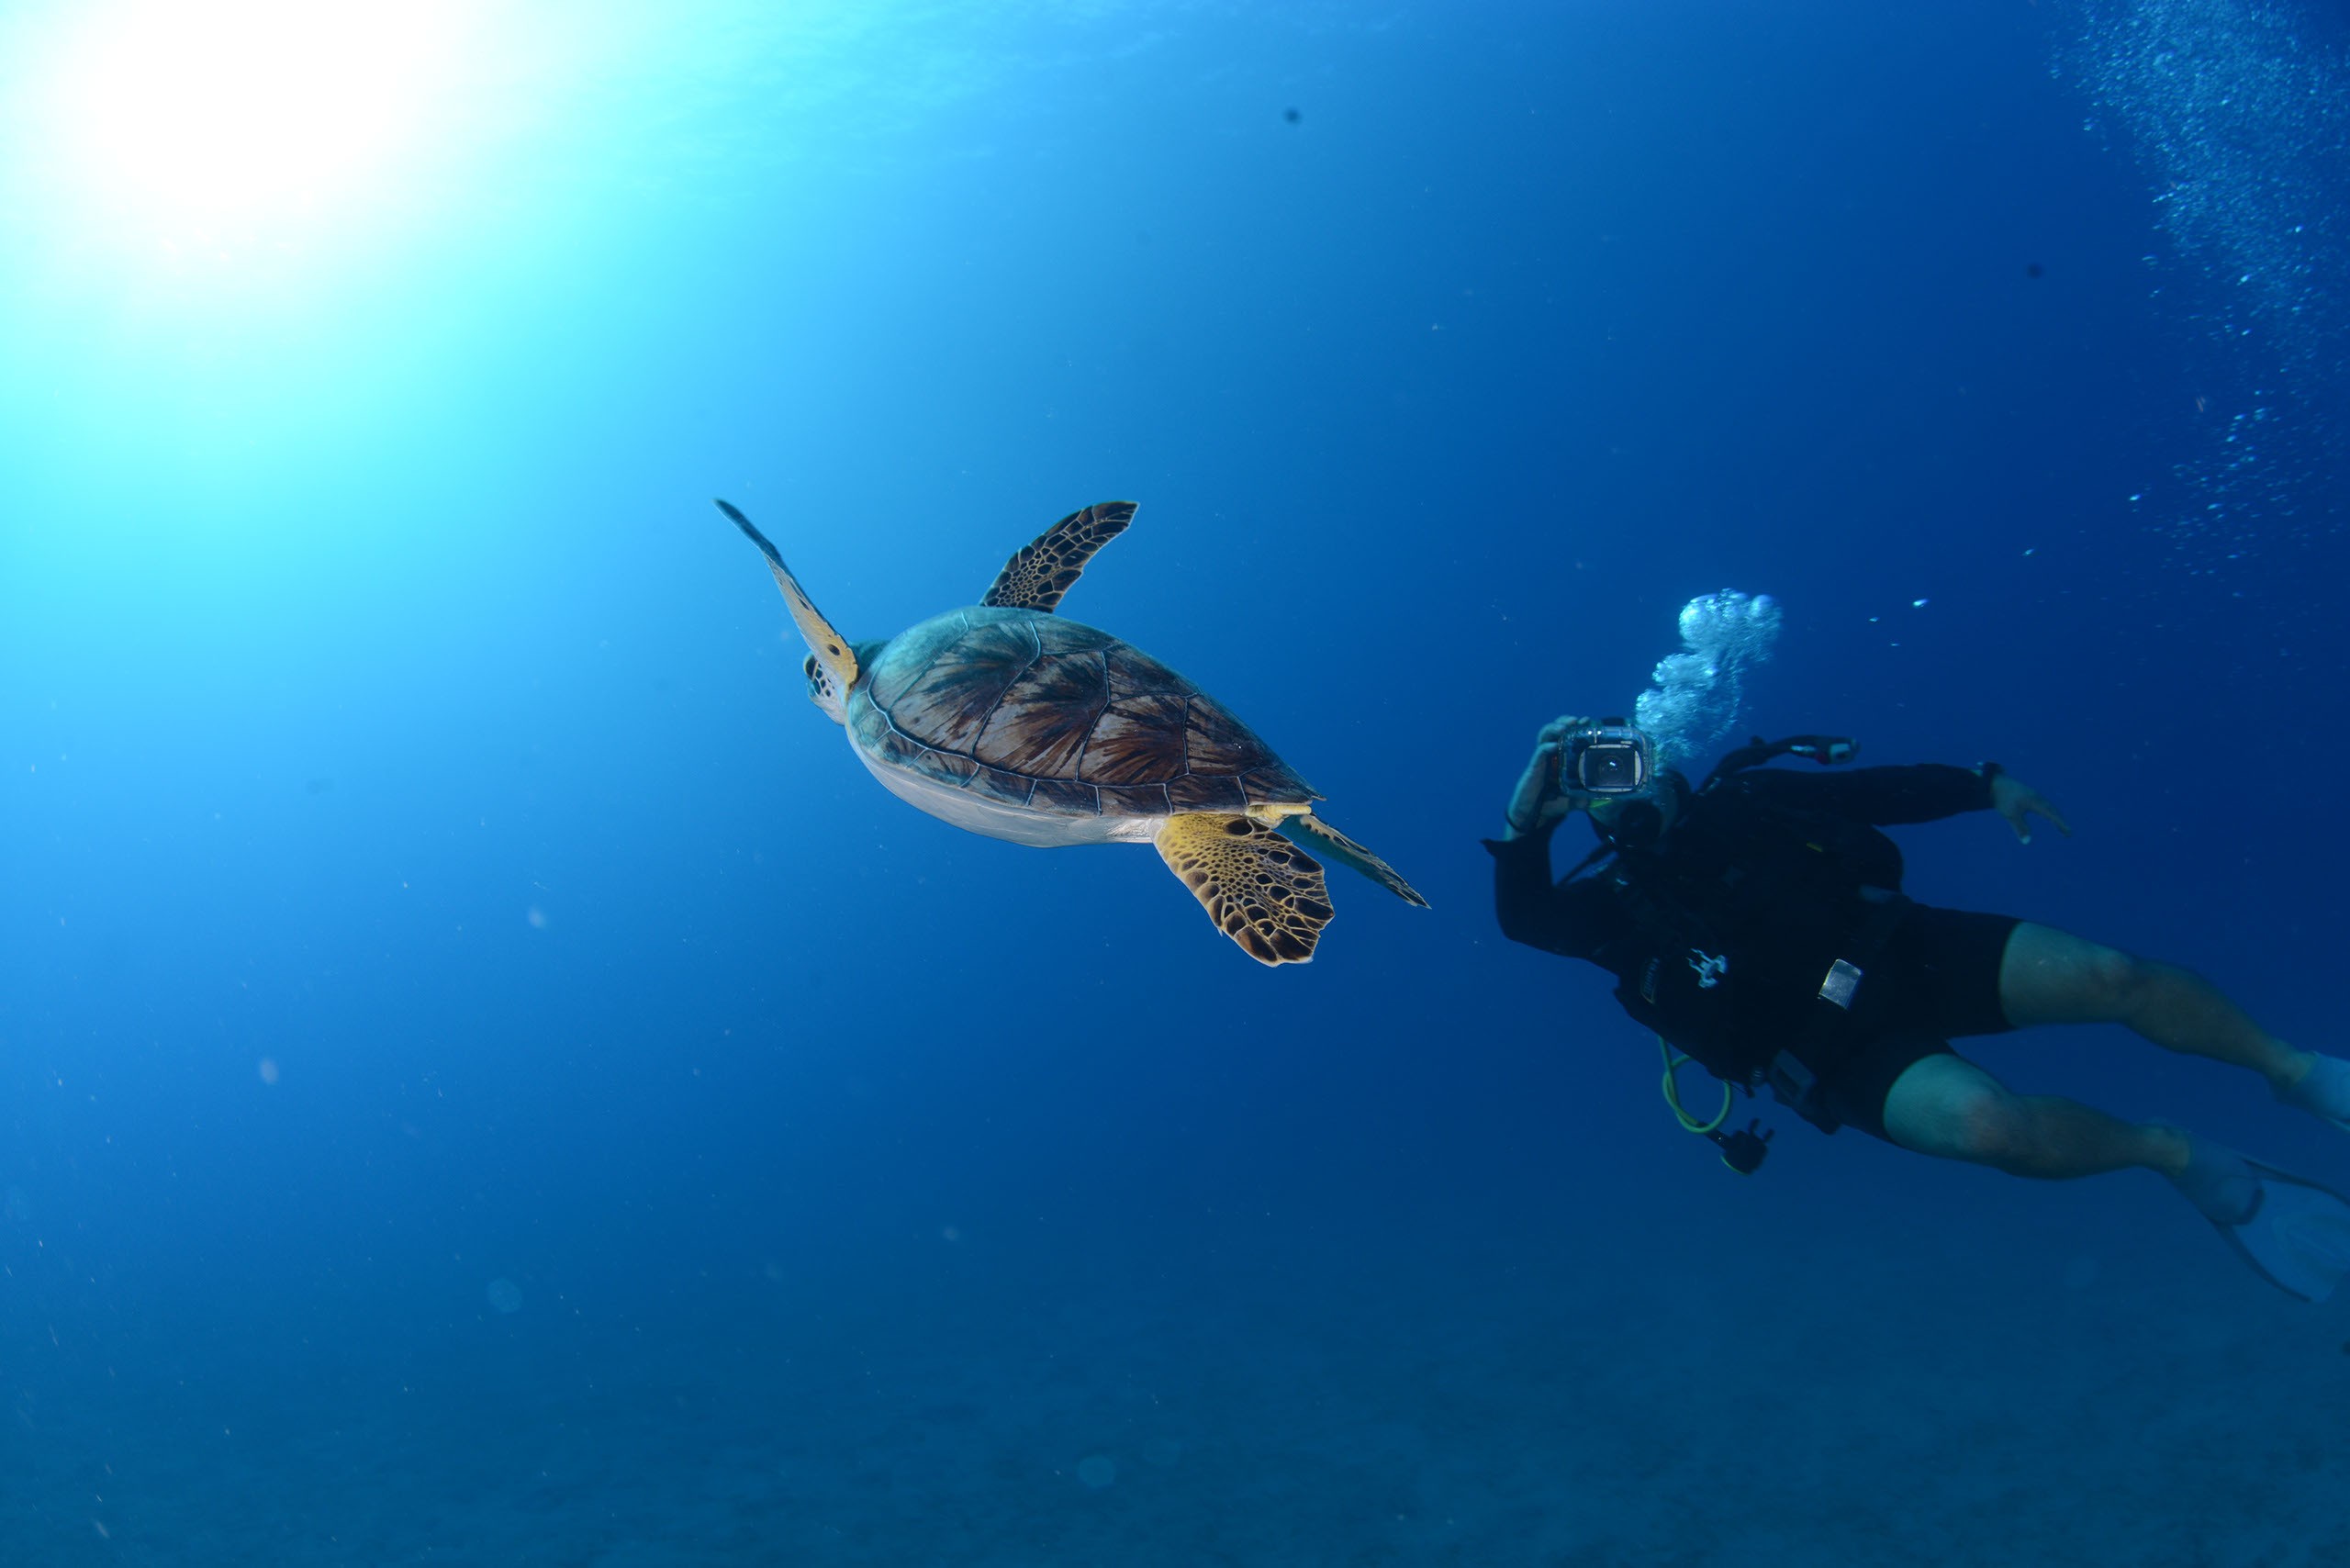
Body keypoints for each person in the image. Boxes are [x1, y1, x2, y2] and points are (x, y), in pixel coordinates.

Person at [1489, 715, 2350, 1301]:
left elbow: (1879, 793)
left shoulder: (1748, 801)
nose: (1618, 792)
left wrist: (1986, 784)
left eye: (1626, 764)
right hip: (1829, 1052)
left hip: (1905, 954)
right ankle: (2176, 1153)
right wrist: (1527, 823)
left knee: (2114, 976)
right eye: (1593, 785)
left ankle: (2298, 1073)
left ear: (1661, 756)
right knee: (1991, 1128)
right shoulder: (1608, 905)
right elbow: (1523, 918)